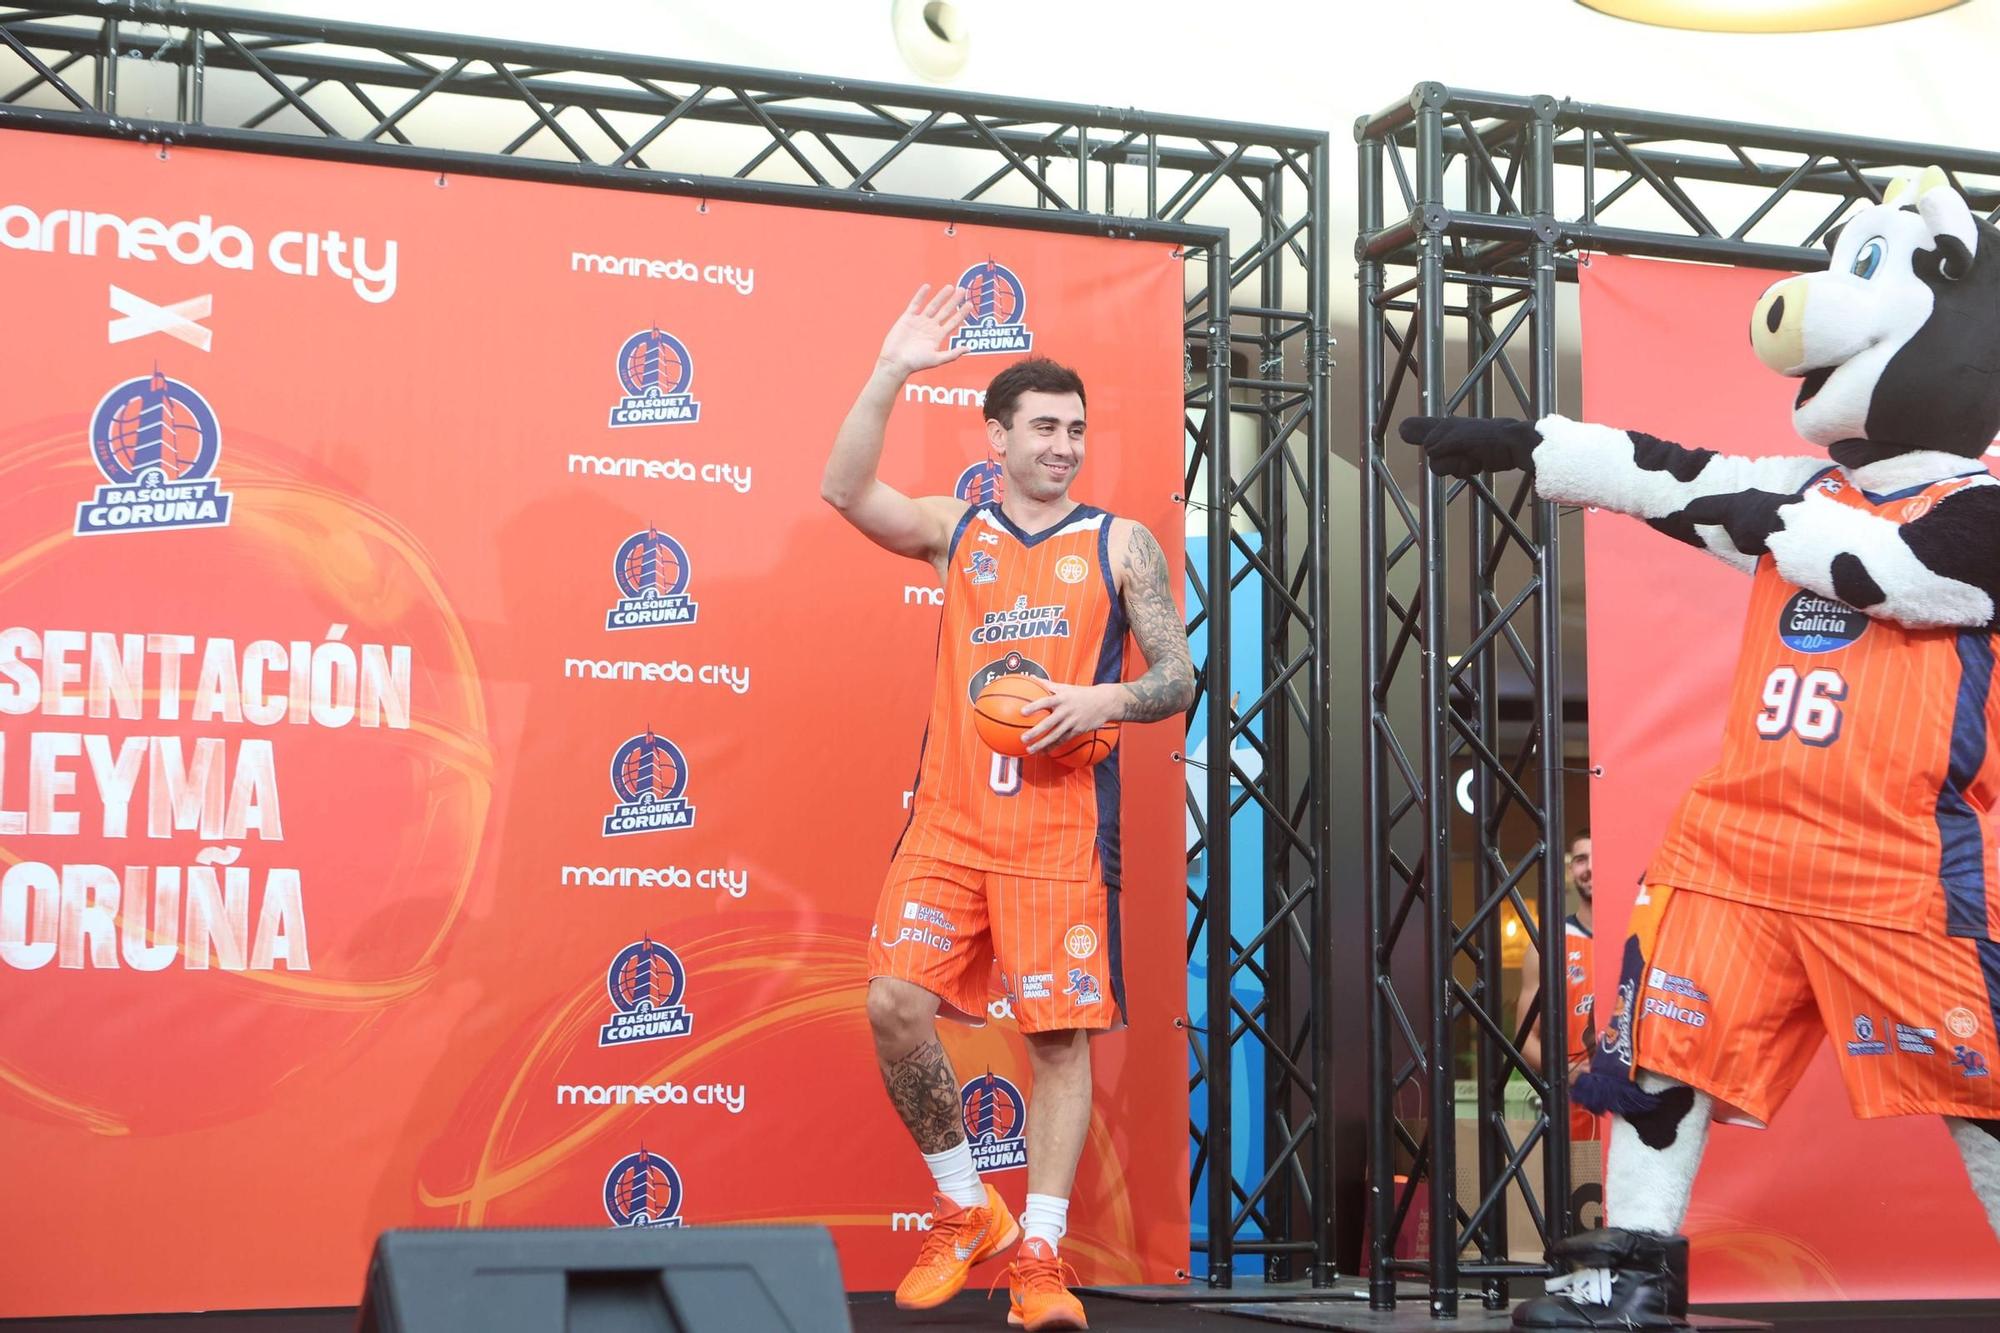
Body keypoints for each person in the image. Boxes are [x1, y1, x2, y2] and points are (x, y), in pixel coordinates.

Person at [821, 284, 1195, 1331]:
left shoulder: (1121, 544)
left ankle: (1038, 1251)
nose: (1063, 446)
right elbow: (843, 489)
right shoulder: (958, 530)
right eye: (1043, 428)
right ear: (997, 436)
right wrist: (890, 371)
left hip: (1059, 832)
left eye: (1075, 429)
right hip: (948, 822)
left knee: (1058, 1041)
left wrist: (1101, 699)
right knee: (894, 1004)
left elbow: (1176, 676)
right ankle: (962, 1204)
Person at [1516, 829, 1598, 1144]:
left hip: (1634, 1110)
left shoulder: (1638, 935)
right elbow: (1525, 1039)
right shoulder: (1549, 944)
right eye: (1581, 859)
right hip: (1572, 1112)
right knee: (1580, 1178)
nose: (1589, 867)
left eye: (1597, 857)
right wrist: (1568, 1071)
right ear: (1570, 869)